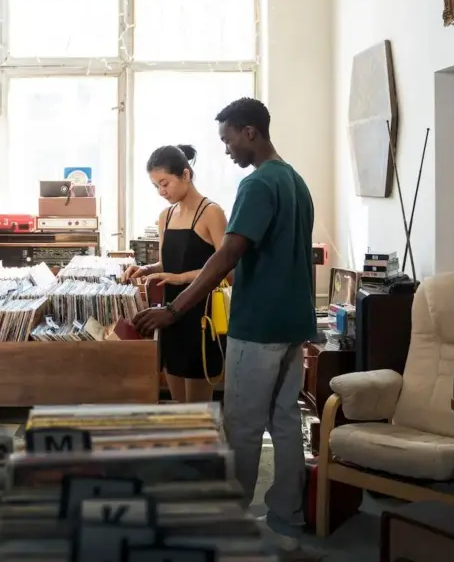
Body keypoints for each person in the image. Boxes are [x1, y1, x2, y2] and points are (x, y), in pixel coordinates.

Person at [132, 98, 316, 552]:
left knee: (241, 425)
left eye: (228, 139)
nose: (226, 149)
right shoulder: (295, 181)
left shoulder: (257, 184)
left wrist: (174, 310)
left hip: (258, 325)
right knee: (285, 422)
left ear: (249, 131)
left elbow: (227, 256)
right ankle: (286, 520)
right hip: (293, 322)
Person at [121, 144, 228, 404]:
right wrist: (146, 269)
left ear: (185, 175)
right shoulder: (165, 216)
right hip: (169, 318)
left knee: (198, 409)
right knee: (179, 407)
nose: (161, 192)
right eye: (156, 186)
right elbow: (167, 263)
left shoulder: (211, 212)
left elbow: (227, 268)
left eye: (165, 183)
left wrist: (181, 278)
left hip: (202, 318)